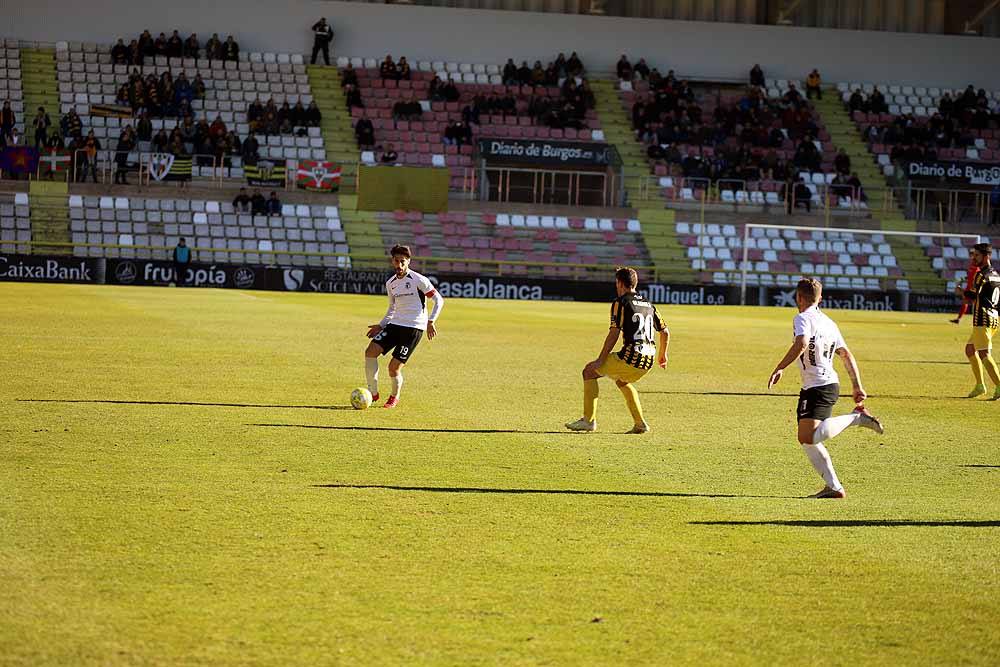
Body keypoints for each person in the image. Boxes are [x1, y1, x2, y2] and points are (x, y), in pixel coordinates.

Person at [767, 278, 884, 498]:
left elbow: (801, 343)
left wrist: (780, 367)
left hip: (819, 386)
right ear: (820, 298)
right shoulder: (830, 323)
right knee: (806, 438)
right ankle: (834, 487)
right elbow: (846, 354)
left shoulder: (801, 318)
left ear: (799, 297)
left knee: (809, 436)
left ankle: (856, 418)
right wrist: (857, 385)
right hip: (827, 384)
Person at [565, 267, 669, 434]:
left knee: (589, 371)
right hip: (648, 360)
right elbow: (664, 332)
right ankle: (640, 424)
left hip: (631, 356)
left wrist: (600, 360)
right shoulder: (649, 305)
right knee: (622, 380)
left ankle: (588, 421)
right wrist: (663, 355)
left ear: (620, 283)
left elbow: (614, 334)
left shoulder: (620, 302)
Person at [364, 245, 444, 409]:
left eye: (402, 261)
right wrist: (381, 325)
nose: (399, 265)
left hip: (413, 328)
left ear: (408, 262)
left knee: (393, 368)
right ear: (392, 261)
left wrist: (431, 321)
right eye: (396, 261)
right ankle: (373, 392)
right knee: (370, 352)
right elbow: (392, 308)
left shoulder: (418, 280)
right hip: (395, 325)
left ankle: (394, 397)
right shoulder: (391, 283)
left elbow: (438, 300)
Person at [955, 243, 1000, 400]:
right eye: (973, 255)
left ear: (986, 256)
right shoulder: (996, 275)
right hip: (993, 317)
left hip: (982, 318)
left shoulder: (981, 275)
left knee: (984, 354)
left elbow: (973, 298)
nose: (973, 257)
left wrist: (962, 292)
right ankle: (980, 385)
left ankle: (999, 385)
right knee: (969, 349)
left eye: (977, 255)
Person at [951, 249, 980, 325]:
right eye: (970, 254)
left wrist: (975, 287)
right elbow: (970, 276)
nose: (970, 255)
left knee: (975, 304)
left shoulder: (977, 265)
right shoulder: (972, 264)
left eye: (972, 254)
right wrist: (963, 279)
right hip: (968, 287)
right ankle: (958, 319)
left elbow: (978, 276)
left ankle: (977, 321)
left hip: (974, 288)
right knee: (965, 302)